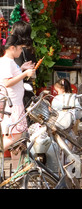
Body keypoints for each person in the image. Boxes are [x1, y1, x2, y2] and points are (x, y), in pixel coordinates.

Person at [0, 35, 35, 163]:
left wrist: (22, 69)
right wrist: (25, 74)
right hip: (13, 105)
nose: (21, 52)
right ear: (12, 48)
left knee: (18, 141)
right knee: (14, 137)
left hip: (15, 104)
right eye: (20, 49)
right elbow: (7, 82)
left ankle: (17, 171)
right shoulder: (7, 62)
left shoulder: (9, 61)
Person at [10, 21, 36, 109]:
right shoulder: (31, 49)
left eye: (12, 30)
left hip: (19, 93)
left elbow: (13, 74)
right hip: (29, 88)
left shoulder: (19, 52)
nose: (11, 32)